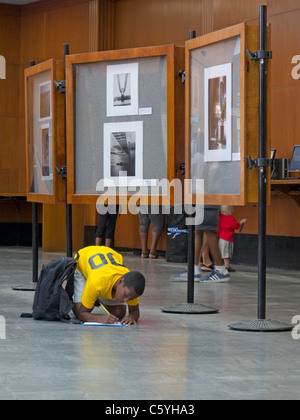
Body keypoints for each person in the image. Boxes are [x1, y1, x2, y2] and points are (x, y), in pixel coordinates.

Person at [73, 246, 145, 325]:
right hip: (81, 261)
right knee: (78, 311)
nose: (126, 300)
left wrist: (131, 316)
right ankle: (89, 294)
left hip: (106, 257)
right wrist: (100, 319)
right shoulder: (97, 282)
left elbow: (135, 311)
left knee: (119, 313)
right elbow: (81, 314)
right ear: (121, 281)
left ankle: (95, 296)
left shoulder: (132, 286)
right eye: (126, 295)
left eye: (131, 298)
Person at [172, 205, 230, 283]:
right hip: (203, 200)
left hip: (207, 200)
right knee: (199, 230)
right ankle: (194, 269)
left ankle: (221, 270)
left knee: (209, 230)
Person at [218, 205, 248, 272]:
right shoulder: (231, 219)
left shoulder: (221, 217)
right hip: (227, 239)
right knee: (227, 254)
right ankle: (227, 266)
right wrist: (242, 222)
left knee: (221, 252)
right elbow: (236, 226)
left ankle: (220, 265)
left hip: (220, 238)